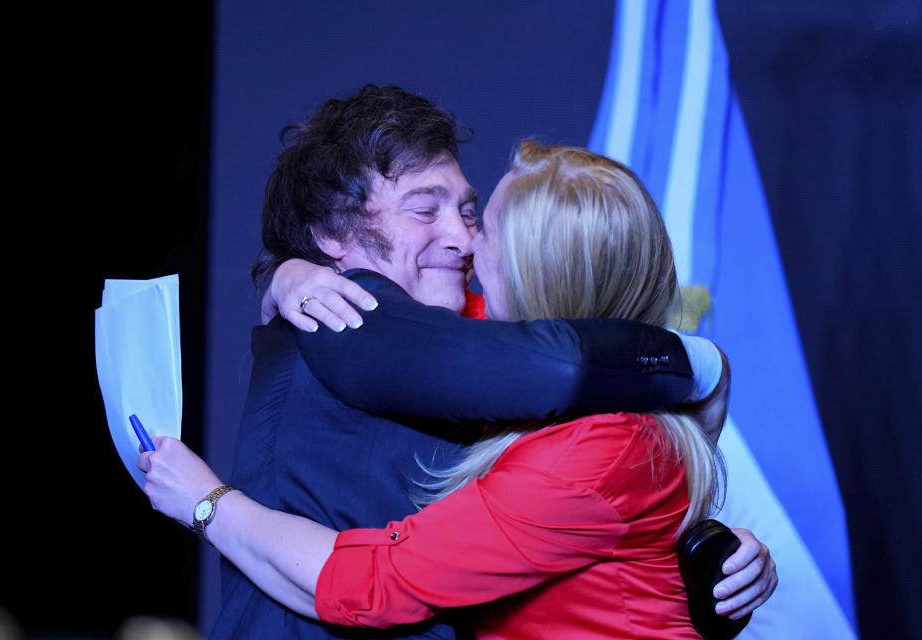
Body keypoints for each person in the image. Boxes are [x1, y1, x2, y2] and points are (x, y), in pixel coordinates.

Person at [145, 86, 774, 639]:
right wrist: (285, 271)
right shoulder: (346, 317)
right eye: (426, 209)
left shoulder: (508, 365)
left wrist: (701, 561)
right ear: (331, 235)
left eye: (473, 215)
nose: (464, 239)